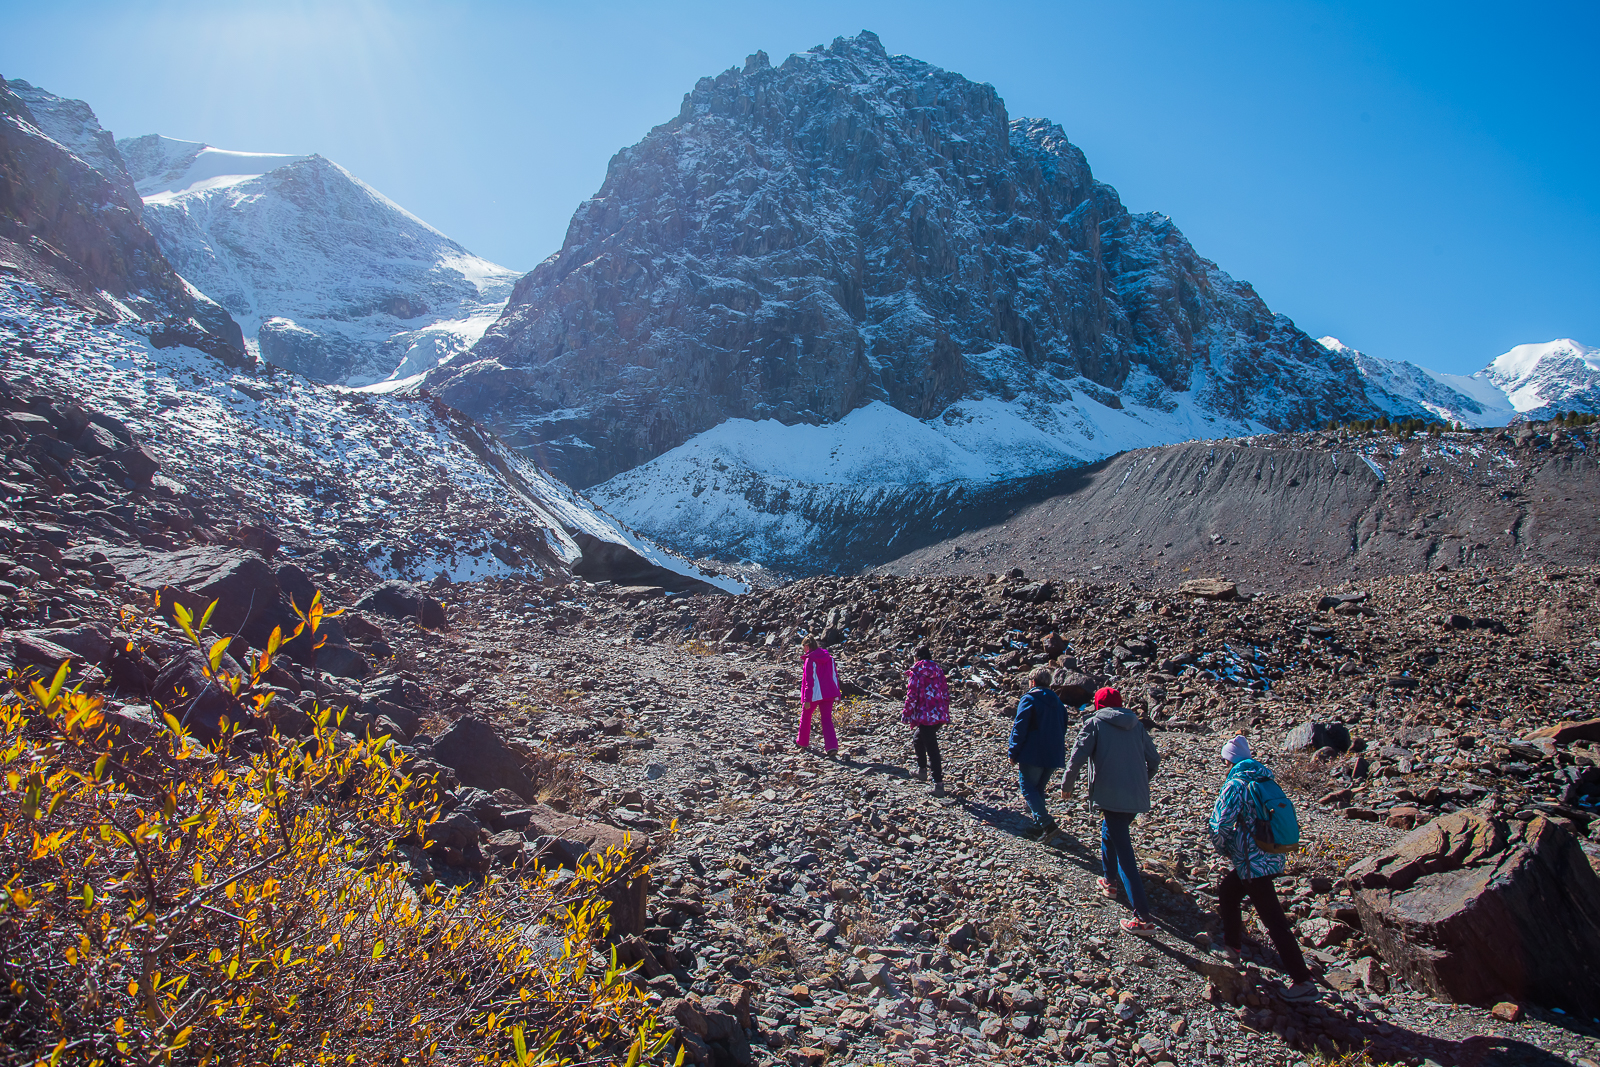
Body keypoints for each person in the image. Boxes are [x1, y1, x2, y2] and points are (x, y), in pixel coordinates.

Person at [1208, 735, 1318, 1001]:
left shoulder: (1236, 783)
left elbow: (1220, 823)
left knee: (1274, 921)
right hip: (1272, 854)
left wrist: (1223, 848)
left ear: (1229, 759)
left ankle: (1303, 982)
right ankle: (1232, 947)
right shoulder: (1265, 779)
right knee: (1229, 892)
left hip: (1251, 861)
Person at [1061, 686, 1162, 936]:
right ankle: (1110, 881)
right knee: (1111, 832)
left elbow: (1078, 756)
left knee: (1125, 852)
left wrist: (1067, 784)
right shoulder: (1136, 725)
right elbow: (1155, 760)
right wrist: (1141, 780)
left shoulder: (1095, 723)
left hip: (1110, 796)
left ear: (1098, 705)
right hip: (1136, 797)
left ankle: (1142, 916)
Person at [1008, 667, 1068, 840]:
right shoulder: (1058, 702)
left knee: (1027, 787)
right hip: (1053, 753)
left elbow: (1020, 727)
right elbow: (1064, 726)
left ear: (1033, 682)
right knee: (1038, 788)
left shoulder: (1029, 699)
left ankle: (1047, 824)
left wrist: (1013, 751)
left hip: (1033, 753)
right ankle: (1037, 826)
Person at [902, 645, 950, 796]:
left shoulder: (917, 672)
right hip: (938, 714)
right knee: (918, 738)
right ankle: (922, 770)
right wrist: (944, 711)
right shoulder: (938, 670)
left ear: (917, 657)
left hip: (925, 715)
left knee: (932, 748)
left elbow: (912, 695)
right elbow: (945, 692)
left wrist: (906, 714)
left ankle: (938, 784)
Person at [796, 636, 841, 756]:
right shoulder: (830, 658)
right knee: (827, 719)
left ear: (807, 646)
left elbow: (809, 681)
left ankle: (802, 742)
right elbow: (834, 676)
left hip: (815, 694)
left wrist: (806, 699)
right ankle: (832, 747)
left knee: (806, 716)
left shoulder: (810, 660)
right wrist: (837, 695)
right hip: (830, 693)